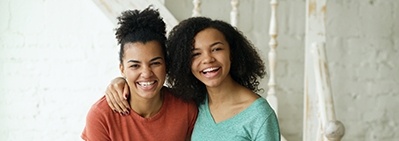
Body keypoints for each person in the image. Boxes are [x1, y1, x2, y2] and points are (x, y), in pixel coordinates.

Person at [106, 17, 280, 141]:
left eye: (216, 49)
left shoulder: (259, 116)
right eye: (196, 54)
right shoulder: (195, 104)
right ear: (185, 62)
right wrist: (120, 81)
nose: (208, 59)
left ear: (232, 53)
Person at [81, 7, 197, 141]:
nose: (146, 74)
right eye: (135, 65)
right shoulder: (102, 116)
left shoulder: (186, 109)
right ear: (122, 69)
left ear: (166, 64)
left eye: (155, 63)